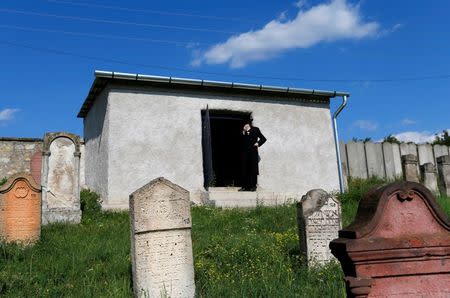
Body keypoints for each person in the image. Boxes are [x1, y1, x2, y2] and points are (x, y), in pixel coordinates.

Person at [239, 120, 266, 191]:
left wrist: (258, 143)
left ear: (249, 123)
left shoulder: (255, 129)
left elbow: (263, 138)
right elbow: (241, 142)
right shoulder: (243, 131)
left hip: (253, 152)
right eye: (244, 124)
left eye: (247, 123)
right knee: (244, 169)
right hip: (244, 153)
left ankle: (253, 186)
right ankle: (244, 187)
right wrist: (244, 132)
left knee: (253, 169)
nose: (246, 125)